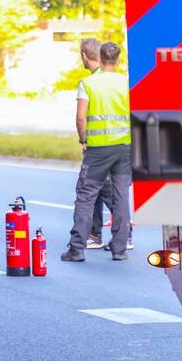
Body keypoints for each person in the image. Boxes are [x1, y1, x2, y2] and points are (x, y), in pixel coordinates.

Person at [61, 42, 133, 262]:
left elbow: (81, 117)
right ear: (118, 60)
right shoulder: (127, 83)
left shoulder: (89, 83)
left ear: (100, 59)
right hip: (123, 148)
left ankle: (77, 248)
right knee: (121, 197)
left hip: (98, 150)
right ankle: (119, 248)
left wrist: (83, 139)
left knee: (86, 196)